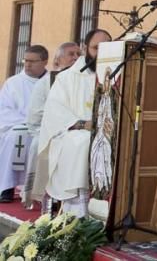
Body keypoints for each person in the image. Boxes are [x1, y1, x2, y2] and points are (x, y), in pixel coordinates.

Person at [37, 30, 110, 216]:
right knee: (83, 141)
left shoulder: (118, 76)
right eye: (96, 48)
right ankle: (78, 214)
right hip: (73, 132)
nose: (101, 53)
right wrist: (82, 124)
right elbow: (56, 112)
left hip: (109, 131)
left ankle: (111, 214)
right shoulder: (67, 77)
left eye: (106, 48)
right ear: (85, 48)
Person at [23, 41, 81, 207]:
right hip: (49, 128)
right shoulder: (47, 82)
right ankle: (44, 195)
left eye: (78, 54)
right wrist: (63, 122)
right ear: (58, 60)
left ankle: (71, 195)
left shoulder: (85, 79)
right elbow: (37, 112)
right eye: (71, 54)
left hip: (77, 128)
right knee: (39, 145)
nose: (76, 58)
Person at [0, 45, 48, 202]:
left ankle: (39, 189)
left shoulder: (52, 82)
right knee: (17, 135)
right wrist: (27, 122)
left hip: (44, 127)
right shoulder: (13, 83)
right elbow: (4, 110)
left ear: (44, 61)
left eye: (32, 61)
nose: (27, 65)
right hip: (18, 126)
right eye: (25, 60)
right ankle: (6, 187)